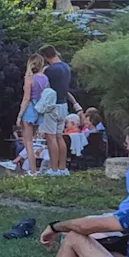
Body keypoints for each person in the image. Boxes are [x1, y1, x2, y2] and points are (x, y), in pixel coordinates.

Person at [40, 45, 82, 175]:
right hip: (63, 105)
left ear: (45, 57)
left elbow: (42, 85)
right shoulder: (66, 67)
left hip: (52, 106)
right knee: (59, 136)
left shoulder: (50, 70)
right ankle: (62, 168)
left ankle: (53, 169)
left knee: (50, 137)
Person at [16, 54, 48, 176]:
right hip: (41, 109)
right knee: (39, 138)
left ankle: (33, 170)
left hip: (30, 109)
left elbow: (26, 98)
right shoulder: (45, 78)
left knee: (28, 142)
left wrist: (19, 115)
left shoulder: (29, 78)